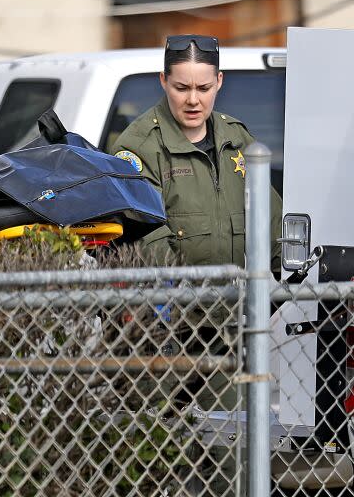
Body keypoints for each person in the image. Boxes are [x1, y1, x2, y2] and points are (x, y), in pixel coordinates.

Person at [109, 34, 282, 495]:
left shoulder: (236, 141)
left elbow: (271, 223)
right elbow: (146, 237)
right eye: (181, 87)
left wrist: (290, 276)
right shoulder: (138, 147)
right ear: (163, 81)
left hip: (228, 337)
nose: (192, 99)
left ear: (219, 83)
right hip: (160, 339)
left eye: (203, 88)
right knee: (150, 463)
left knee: (234, 458)